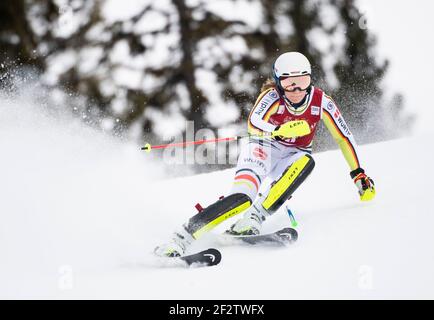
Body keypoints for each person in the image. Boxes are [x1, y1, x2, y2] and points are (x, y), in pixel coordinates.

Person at [154, 51, 375, 257]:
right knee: (241, 199)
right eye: (289, 83)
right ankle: (180, 238)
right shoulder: (271, 97)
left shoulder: (321, 101)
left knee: (306, 162)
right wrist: (277, 130)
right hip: (262, 148)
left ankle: (253, 219)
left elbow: (343, 137)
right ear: (279, 82)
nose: (297, 90)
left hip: (293, 154)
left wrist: (358, 174)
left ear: (311, 79)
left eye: (303, 81)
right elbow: (254, 122)